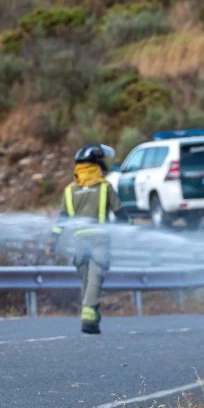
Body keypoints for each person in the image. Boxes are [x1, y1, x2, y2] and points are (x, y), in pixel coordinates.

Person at [49, 143, 130, 335]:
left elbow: (61, 220)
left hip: (79, 242)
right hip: (100, 240)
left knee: (87, 281)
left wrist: (52, 242)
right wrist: (131, 231)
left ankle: (91, 320)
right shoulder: (104, 187)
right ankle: (88, 312)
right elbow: (120, 214)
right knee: (95, 278)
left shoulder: (69, 191)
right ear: (96, 165)